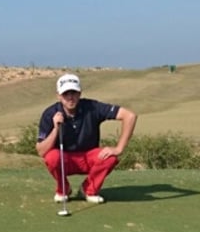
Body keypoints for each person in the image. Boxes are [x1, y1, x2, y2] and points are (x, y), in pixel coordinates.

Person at [35, 73, 137, 204]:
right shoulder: (50, 113)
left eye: (74, 93)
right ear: (59, 96)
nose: (70, 97)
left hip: (88, 157)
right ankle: (64, 189)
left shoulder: (92, 107)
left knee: (110, 158)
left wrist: (119, 148)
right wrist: (55, 129)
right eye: (66, 94)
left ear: (80, 93)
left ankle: (88, 189)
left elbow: (130, 116)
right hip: (65, 159)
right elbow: (41, 151)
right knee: (51, 157)